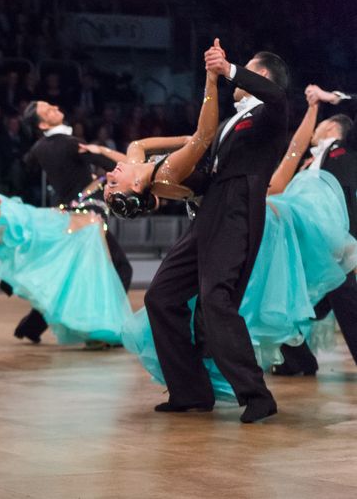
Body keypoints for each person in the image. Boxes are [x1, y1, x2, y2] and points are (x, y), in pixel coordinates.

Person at [122, 86, 357, 401]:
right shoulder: (163, 174)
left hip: (259, 224)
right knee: (220, 307)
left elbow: (291, 150)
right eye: (112, 182)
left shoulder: (162, 171)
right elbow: (293, 148)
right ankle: (211, 382)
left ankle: (240, 385)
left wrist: (197, 138)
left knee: (226, 307)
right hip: (236, 224)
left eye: (110, 178)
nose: (112, 174)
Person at [109, 40, 288, 423]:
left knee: (216, 299)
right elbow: (203, 173)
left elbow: (274, 94)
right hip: (208, 212)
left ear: (260, 76)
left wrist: (227, 70)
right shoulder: (230, 122)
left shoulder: (272, 111)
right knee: (160, 296)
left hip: (238, 208)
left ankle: (256, 395)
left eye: (248, 69)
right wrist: (159, 188)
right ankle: (190, 393)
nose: (237, 76)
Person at [18, 99, 133, 343]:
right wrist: (101, 153)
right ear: (42, 123)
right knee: (120, 268)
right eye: (48, 110)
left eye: (52, 105)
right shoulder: (71, 144)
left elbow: (26, 164)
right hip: (87, 217)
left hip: (66, 215)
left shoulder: (40, 148)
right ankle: (105, 326)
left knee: (68, 274)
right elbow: (115, 165)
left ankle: (31, 326)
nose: (55, 108)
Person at [272, 85, 357, 376]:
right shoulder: (308, 163)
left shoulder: (347, 149)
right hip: (306, 250)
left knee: (342, 293)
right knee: (282, 299)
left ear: (333, 127)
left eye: (320, 124)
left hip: (340, 244)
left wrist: (330, 98)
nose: (313, 131)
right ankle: (298, 359)